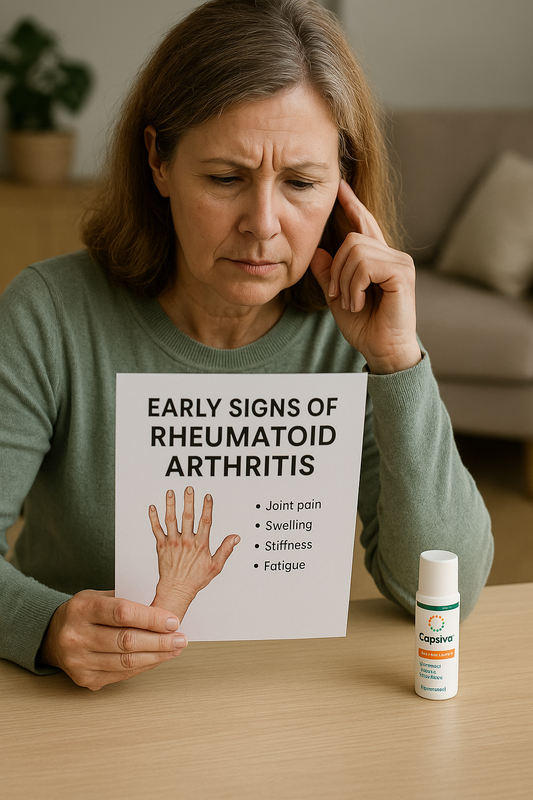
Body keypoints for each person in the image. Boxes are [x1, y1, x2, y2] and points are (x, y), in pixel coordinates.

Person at [0, 0, 493, 691]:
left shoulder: (354, 329)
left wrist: (396, 362)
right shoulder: (48, 314)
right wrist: (45, 626)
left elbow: (444, 593)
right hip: (80, 710)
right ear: (158, 163)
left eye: (300, 183)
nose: (262, 225)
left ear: (342, 186)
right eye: (225, 179)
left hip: (283, 703)